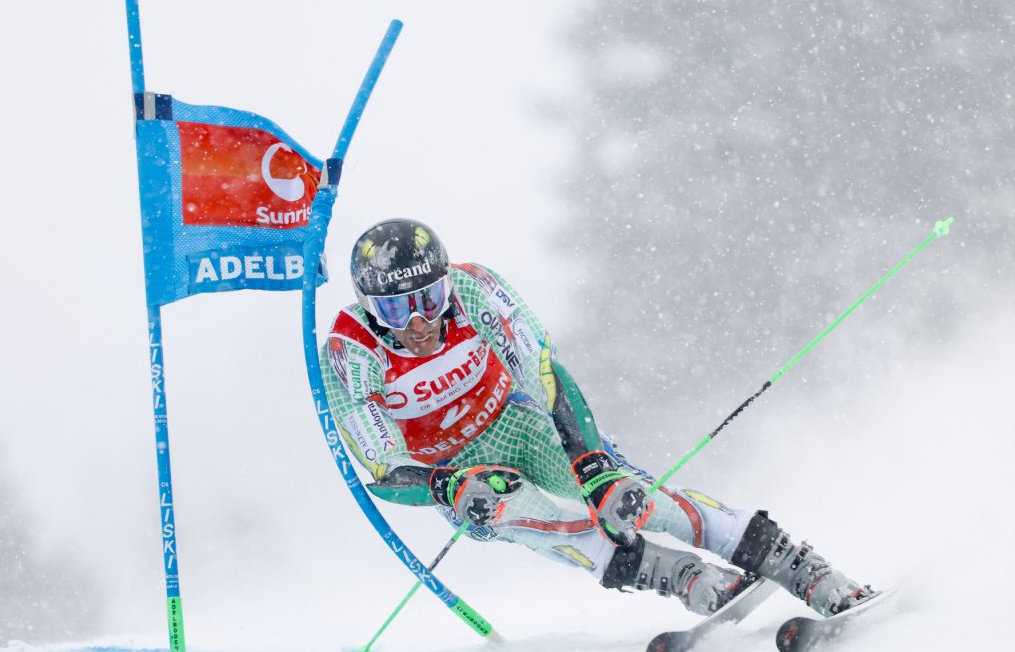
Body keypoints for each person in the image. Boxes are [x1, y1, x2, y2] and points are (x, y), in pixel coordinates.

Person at [318, 218, 875, 618]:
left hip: (517, 423)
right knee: (518, 509)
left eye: (428, 298)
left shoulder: (471, 289)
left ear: (444, 284)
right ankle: (678, 574)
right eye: (395, 308)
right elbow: (385, 472)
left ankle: (797, 564)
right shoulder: (351, 353)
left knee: (625, 496)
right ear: (369, 306)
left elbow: (545, 374)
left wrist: (590, 462)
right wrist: (444, 485)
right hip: (460, 472)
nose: (418, 323)